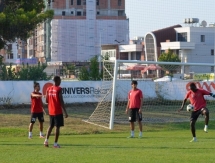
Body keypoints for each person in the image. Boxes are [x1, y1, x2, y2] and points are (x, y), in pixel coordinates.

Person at [44, 76, 68, 148]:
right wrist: (65, 112)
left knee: (50, 126)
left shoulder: (48, 89)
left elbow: (46, 101)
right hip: (57, 111)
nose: (60, 82)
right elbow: (61, 101)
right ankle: (55, 144)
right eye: (60, 80)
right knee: (57, 127)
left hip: (51, 111)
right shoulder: (59, 89)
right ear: (57, 80)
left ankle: (46, 141)